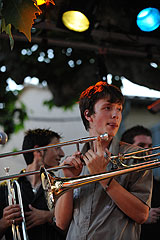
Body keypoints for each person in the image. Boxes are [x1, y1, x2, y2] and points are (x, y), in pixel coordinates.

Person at [55, 81, 153, 240]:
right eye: (107, 108)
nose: (115, 115)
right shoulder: (72, 163)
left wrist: (103, 176)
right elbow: (61, 223)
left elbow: (142, 215)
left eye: (119, 109)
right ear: (88, 115)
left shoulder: (136, 155)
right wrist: (69, 179)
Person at [0, 128, 66, 240]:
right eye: (56, 148)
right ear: (38, 151)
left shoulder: (60, 185)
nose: (62, 154)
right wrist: (3, 222)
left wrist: (49, 215)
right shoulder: (7, 188)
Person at [121, 125, 160, 239]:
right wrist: (139, 217)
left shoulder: (156, 184)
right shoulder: (116, 182)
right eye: (141, 146)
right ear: (126, 149)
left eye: (150, 146)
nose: (147, 151)